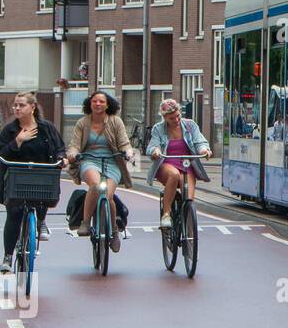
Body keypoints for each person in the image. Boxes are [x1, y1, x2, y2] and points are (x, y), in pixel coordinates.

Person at [0, 92, 66, 273]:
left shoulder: (46, 128)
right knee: (14, 213)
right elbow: (0, 152)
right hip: (16, 176)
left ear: (32, 108)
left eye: (21, 105)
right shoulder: (10, 130)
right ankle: (8, 257)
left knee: (44, 198)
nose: (17, 108)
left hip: (42, 176)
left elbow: (60, 148)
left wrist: (62, 158)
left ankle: (41, 220)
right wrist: (17, 141)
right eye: (15, 105)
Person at [66, 92, 135, 249]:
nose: (98, 104)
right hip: (90, 160)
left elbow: (124, 142)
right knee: (96, 186)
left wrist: (128, 153)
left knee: (108, 196)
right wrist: (73, 154)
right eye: (94, 101)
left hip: (112, 162)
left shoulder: (115, 121)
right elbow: (75, 144)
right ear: (89, 104)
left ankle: (114, 232)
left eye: (101, 101)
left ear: (107, 104)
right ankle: (85, 223)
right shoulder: (82, 123)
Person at [145, 98, 212, 229]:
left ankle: (187, 226)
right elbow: (152, 146)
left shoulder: (190, 125)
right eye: (171, 118)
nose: (176, 120)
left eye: (177, 116)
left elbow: (199, 141)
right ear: (164, 118)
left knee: (189, 199)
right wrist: (155, 151)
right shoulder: (158, 129)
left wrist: (204, 150)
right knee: (174, 175)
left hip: (187, 164)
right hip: (167, 163)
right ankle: (166, 214)